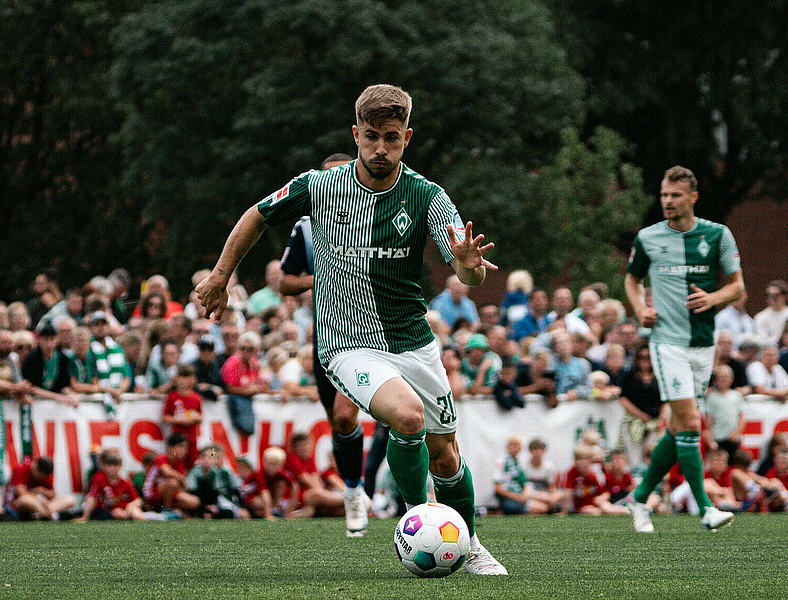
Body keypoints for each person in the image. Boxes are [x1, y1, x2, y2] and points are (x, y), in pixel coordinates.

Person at [196, 84, 506, 574]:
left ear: (406, 137)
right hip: (348, 344)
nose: (380, 149)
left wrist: (469, 268)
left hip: (413, 342)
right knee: (407, 419)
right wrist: (219, 275)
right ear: (355, 135)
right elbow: (257, 215)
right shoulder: (321, 187)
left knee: (445, 453)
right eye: (370, 138)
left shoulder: (427, 196)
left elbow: (466, 268)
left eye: (391, 138)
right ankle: (417, 522)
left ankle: (466, 544)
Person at [623, 166, 744, 533]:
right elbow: (631, 279)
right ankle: (705, 508)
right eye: (663, 196)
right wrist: (640, 308)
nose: (667, 202)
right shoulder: (648, 238)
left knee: (679, 428)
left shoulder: (717, 235)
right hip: (666, 343)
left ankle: (639, 498)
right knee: (691, 422)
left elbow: (738, 288)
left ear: (692, 197)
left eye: (675, 196)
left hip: (703, 345)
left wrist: (715, 297)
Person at [75, 450, 145, 521]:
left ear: (120, 466)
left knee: (137, 516)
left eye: (115, 465)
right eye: (109, 465)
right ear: (103, 466)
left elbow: (137, 500)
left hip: (126, 509)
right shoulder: (99, 478)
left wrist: (130, 506)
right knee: (116, 514)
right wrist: (85, 516)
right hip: (108, 511)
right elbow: (91, 497)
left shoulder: (125, 482)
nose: (113, 468)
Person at [141, 432, 200, 514]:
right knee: (172, 483)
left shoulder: (180, 463)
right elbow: (167, 472)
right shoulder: (161, 458)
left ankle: (172, 510)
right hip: (152, 493)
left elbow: (182, 486)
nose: (184, 450)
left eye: (186, 447)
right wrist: (181, 479)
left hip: (168, 493)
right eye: (181, 446)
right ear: (171, 447)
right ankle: (167, 510)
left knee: (194, 501)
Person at [6, 456, 76, 520]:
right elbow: (21, 493)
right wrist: (39, 498)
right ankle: (50, 515)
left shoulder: (46, 474)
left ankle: (41, 515)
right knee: (25, 500)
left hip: (43, 504)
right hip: (23, 503)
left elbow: (53, 495)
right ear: (35, 467)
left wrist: (41, 491)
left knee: (70, 500)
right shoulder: (20, 469)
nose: (43, 479)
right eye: (41, 476)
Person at [493, 435, 548, 515]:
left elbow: (526, 482)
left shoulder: (519, 462)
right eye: (512, 445)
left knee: (547, 502)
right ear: (507, 447)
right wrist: (518, 497)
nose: (514, 448)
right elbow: (497, 488)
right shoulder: (501, 461)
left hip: (521, 494)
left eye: (517, 445)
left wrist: (525, 494)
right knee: (539, 509)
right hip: (509, 498)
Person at [565, 445, 626, 515]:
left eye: (585, 459)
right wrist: (564, 511)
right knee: (593, 511)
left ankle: (623, 510)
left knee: (606, 506)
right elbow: (569, 491)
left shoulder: (594, 474)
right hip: (583, 505)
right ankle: (613, 511)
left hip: (596, 502)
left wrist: (601, 498)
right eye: (579, 459)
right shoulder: (572, 472)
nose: (582, 462)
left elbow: (606, 493)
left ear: (591, 461)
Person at [162, 364, 203, 466]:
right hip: (177, 440)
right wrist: (181, 421)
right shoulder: (172, 397)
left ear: (193, 379)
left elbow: (201, 416)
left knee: (192, 464)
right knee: (177, 464)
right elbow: (165, 418)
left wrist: (196, 417)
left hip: (192, 439)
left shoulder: (196, 398)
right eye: (182, 377)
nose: (184, 380)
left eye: (187, 377)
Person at [703, 366, 745, 460]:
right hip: (718, 438)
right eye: (720, 378)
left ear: (731, 379)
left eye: (726, 377)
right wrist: (710, 441)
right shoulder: (712, 397)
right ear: (715, 380)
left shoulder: (736, 395)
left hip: (732, 437)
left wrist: (737, 432)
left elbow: (742, 416)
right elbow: (708, 421)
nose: (723, 380)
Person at [753, 280, 788, 346]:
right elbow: (761, 340)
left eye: (775, 296)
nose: (771, 299)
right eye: (769, 295)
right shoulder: (760, 317)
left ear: (784, 296)